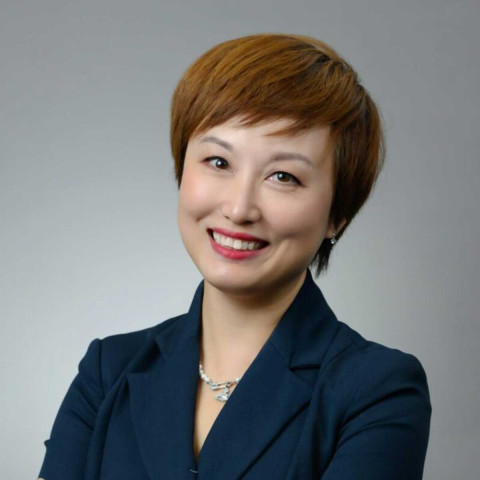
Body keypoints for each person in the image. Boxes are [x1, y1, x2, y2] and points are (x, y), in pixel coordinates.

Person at [38, 33, 431, 480]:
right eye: (219, 162)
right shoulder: (108, 371)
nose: (240, 208)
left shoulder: (378, 391)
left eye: (283, 176)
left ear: (337, 215)